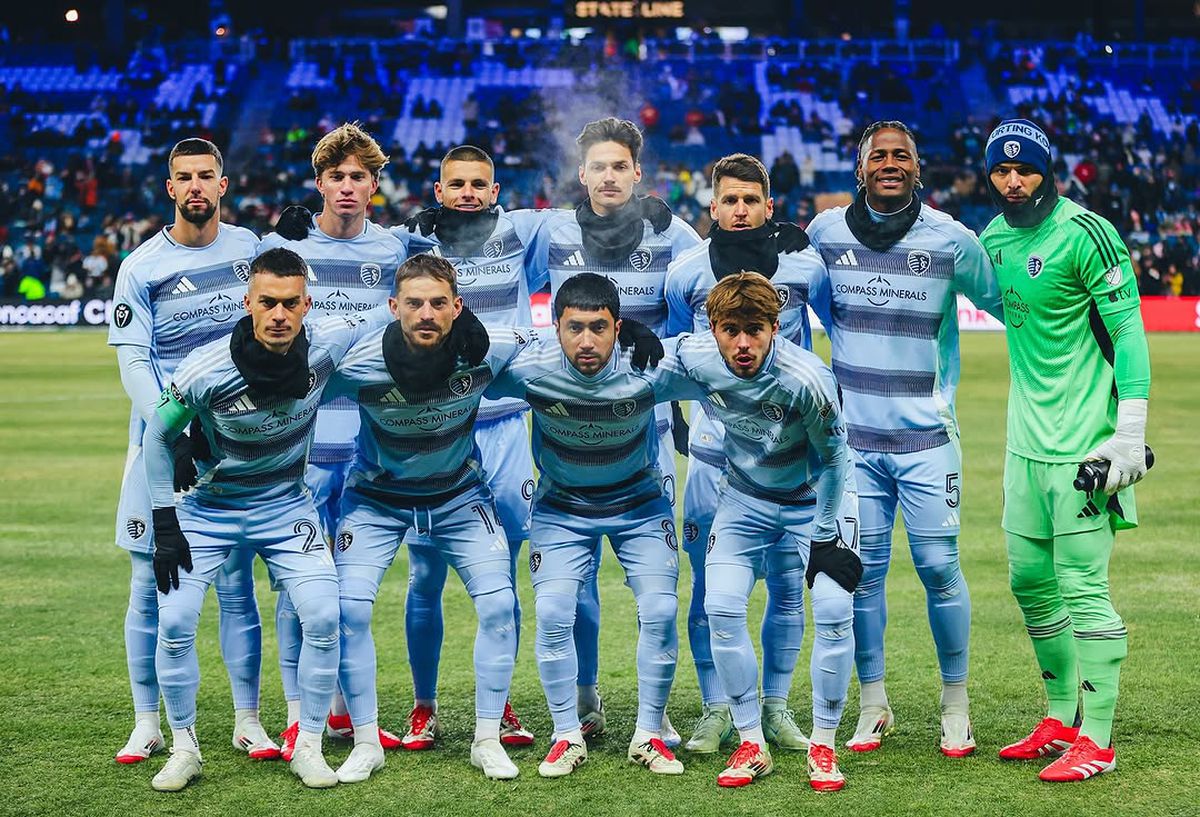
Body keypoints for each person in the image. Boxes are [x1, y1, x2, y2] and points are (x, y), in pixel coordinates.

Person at [139, 247, 387, 791]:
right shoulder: (205, 368)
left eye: (290, 303)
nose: (279, 314)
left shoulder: (329, 341)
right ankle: (184, 748)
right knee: (174, 623)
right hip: (210, 508)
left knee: (323, 615)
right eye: (267, 302)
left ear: (307, 305)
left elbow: (394, 312)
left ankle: (309, 746)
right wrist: (164, 522)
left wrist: (463, 331)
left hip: (286, 506)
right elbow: (157, 434)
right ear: (247, 302)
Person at [806, 120, 1003, 757]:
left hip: (927, 441)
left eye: (902, 156)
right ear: (860, 169)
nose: (890, 164)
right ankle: (874, 704)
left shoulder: (952, 240)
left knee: (940, 568)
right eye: (878, 156)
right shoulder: (825, 233)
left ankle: (955, 704)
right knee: (862, 576)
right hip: (853, 447)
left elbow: (1012, 305)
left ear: (918, 169)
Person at [980, 119, 1151, 782]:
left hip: (1084, 448)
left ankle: (1098, 739)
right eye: (1001, 170)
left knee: (1082, 586)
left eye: (1024, 169)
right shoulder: (994, 240)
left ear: (1048, 171)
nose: (1012, 181)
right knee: (1029, 581)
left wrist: (1129, 433)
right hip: (1024, 448)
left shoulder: (1087, 233)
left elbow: (1129, 334)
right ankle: (1061, 717)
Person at [324, 254, 529, 782]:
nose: (426, 314)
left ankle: (487, 738)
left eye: (439, 303)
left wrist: (630, 338)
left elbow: (555, 347)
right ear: (393, 307)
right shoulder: (360, 362)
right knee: (349, 611)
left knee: (500, 605)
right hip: (375, 499)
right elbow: (293, 381)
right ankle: (365, 741)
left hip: (460, 496)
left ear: (458, 307)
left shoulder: (486, 348)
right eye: (414, 303)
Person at [652, 272, 860, 790]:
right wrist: (629, 343)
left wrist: (825, 535)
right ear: (713, 329)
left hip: (818, 498)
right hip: (745, 497)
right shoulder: (696, 356)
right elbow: (643, 361)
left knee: (833, 609)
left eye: (755, 330)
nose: (742, 343)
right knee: (721, 605)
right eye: (730, 330)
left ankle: (824, 745)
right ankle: (751, 741)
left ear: (775, 328)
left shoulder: (805, 378)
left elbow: (836, 459)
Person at [107, 138, 275, 765]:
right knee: (149, 581)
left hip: (232, 444)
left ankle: (248, 719)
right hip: (160, 444)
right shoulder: (140, 266)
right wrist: (171, 430)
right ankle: (146, 721)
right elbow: (134, 361)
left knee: (236, 582)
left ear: (223, 185)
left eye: (207, 175)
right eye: (186, 177)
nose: (196, 186)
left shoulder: (249, 250)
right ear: (170, 188)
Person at [535, 117, 701, 740]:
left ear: (638, 173)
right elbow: (485, 264)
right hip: (569, 425)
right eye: (598, 166)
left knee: (655, 586)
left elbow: (701, 313)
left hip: (646, 429)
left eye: (620, 166)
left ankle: (656, 710)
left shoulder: (673, 234)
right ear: (582, 174)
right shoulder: (552, 233)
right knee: (573, 584)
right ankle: (584, 697)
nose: (609, 176)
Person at [486, 273, 685, 778]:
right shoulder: (531, 369)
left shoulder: (649, 366)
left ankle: (649, 733)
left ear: (619, 327)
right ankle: (566, 735)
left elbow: (717, 358)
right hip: (563, 507)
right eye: (574, 328)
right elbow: (463, 359)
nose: (587, 341)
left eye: (600, 327)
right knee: (554, 611)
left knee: (661, 609)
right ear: (555, 327)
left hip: (640, 504)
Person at [663, 152, 826, 754]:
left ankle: (776, 708)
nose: (739, 210)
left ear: (768, 206)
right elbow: (674, 351)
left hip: (788, 460)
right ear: (712, 206)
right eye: (729, 200)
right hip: (714, 457)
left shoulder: (804, 264)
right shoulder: (685, 272)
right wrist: (677, 421)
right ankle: (717, 707)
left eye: (750, 200)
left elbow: (833, 336)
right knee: (709, 590)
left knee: (786, 587)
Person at [391, 144, 551, 750]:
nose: (467, 194)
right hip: (436, 425)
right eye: (455, 184)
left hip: (505, 426)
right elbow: (352, 243)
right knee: (426, 572)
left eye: (477, 184)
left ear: (495, 191)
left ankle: (501, 704)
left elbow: (592, 219)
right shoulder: (413, 242)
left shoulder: (521, 232)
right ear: (438, 191)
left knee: (502, 571)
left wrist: (657, 218)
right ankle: (423, 706)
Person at [258, 122, 410, 757]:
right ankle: (299, 714)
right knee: (300, 585)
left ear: (375, 186)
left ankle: (345, 711)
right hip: (303, 441)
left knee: (350, 587)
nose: (347, 186)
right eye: (336, 176)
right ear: (318, 183)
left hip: (372, 440)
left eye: (359, 177)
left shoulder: (396, 249)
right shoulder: (285, 247)